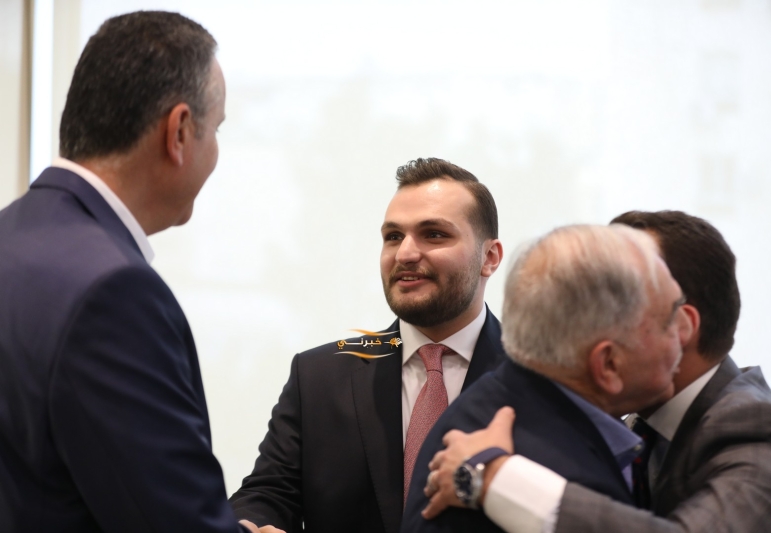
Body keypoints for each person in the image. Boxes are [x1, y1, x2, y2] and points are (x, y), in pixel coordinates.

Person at [0, 11, 273, 533]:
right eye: (216, 129)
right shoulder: (114, 293)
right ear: (179, 132)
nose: (216, 149)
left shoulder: (10, 237)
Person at [422, 210, 771, 533]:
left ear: (682, 325)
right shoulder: (593, 418)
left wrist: (496, 478)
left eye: (613, 285)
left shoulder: (758, 434)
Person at [228, 158, 507, 533]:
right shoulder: (319, 377)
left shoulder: (540, 377)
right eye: (393, 236)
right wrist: (251, 526)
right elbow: (268, 495)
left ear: (489, 257)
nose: (405, 254)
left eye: (434, 234)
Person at [401, 223, 692, 532]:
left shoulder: (496, 403)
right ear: (608, 364)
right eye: (669, 320)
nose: (686, 333)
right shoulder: (571, 481)